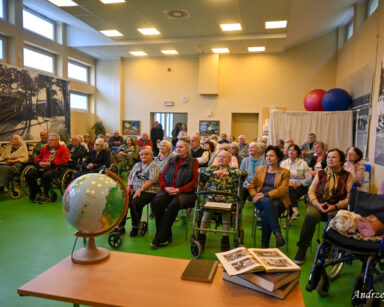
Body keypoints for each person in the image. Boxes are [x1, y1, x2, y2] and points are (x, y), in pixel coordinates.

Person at [294, 148, 353, 264]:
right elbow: (311, 191)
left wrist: (336, 206)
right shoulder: (321, 173)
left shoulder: (348, 176)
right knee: (310, 215)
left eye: (334, 157)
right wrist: (317, 203)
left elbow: (350, 197)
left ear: (341, 161)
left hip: (336, 207)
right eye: (329, 157)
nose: (330, 159)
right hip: (317, 204)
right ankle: (302, 248)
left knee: (333, 217)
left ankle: (329, 248)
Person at [151, 139, 199, 248]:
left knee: (173, 205)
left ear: (187, 149)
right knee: (157, 202)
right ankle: (165, 234)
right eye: (177, 147)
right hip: (168, 190)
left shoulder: (193, 162)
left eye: (181, 147)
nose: (178, 149)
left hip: (186, 193)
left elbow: (194, 181)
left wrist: (179, 190)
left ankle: (160, 237)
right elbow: (162, 176)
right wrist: (166, 188)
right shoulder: (171, 160)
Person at [197, 150, 247, 251]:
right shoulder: (213, 168)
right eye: (219, 157)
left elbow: (244, 173)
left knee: (226, 213)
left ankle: (225, 238)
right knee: (207, 212)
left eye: (224, 157)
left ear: (229, 160)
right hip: (212, 199)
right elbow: (199, 170)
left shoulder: (233, 171)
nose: (220, 158)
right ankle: (201, 237)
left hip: (227, 200)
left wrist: (228, 173)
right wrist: (214, 172)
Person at [248, 146, 290, 248]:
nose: (268, 158)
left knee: (267, 210)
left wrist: (265, 195)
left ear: (278, 158)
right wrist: (254, 195)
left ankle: (264, 245)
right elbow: (252, 186)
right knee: (267, 203)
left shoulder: (285, 172)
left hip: (278, 201)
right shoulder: (260, 169)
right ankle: (277, 233)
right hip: (260, 200)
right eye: (267, 156)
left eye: (271, 156)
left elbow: (283, 190)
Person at [116, 147, 160, 236]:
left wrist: (140, 189)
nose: (144, 156)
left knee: (135, 202)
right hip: (135, 189)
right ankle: (120, 226)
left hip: (149, 191)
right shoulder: (137, 165)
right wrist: (130, 186)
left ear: (151, 155)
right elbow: (130, 177)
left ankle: (135, 226)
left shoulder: (153, 165)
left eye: (147, 154)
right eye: (141, 154)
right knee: (123, 201)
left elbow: (152, 180)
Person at [26, 134, 70, 204]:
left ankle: (45, 194)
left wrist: (50, 164)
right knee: (29, 175)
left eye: (51, 140)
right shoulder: (45, 149)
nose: (49, 142)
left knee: (46, 176)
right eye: (48, 140)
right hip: (43, 167)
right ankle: (38, 191)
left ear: (57, 141)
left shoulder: (64, 149)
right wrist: (39, 162)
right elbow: (38, 158)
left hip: (55, 168)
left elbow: (64, 160)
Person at [280, 144, 312, 219]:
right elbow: (280, 178)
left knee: (289, 192)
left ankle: (289, 215)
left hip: (300, 186)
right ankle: (295, 210)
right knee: (290, 189)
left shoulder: (303, 163)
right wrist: (288, 183)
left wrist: (299, 183)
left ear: (297, 153)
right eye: (289, 150)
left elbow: (309, 178)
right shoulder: (284, 163)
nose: (291, 151)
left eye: (293, 150)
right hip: (287, 185)